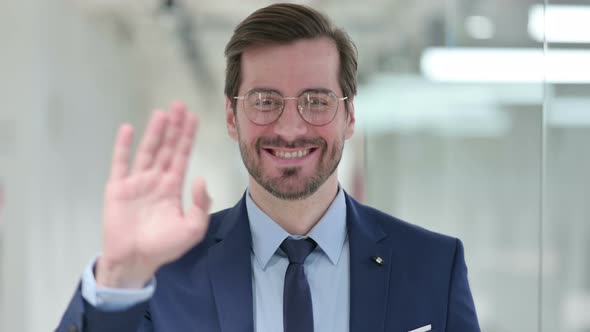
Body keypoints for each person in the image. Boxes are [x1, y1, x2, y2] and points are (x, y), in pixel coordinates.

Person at [57, 3, 480, 332]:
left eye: (316, 101)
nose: (291, 127)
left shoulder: (432, 266)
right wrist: (117, 278)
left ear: (350, 117)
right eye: (264, 101)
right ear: (230, 116)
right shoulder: (164, 274)